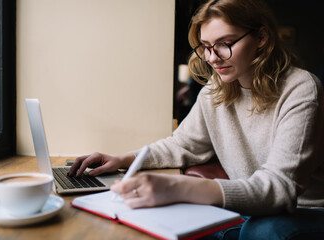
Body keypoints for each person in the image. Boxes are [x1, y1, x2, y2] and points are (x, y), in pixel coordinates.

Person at [68, 0, 324, 239]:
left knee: (262, 231)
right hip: (248, 207)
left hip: (305, 210)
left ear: (261, 37)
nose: (212, 58)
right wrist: (124, 159)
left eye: (225, 43)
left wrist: (181, 188)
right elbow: (182, 144)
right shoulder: (217, 88)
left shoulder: (300, 89)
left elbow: (280, 188)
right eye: (206, 47)